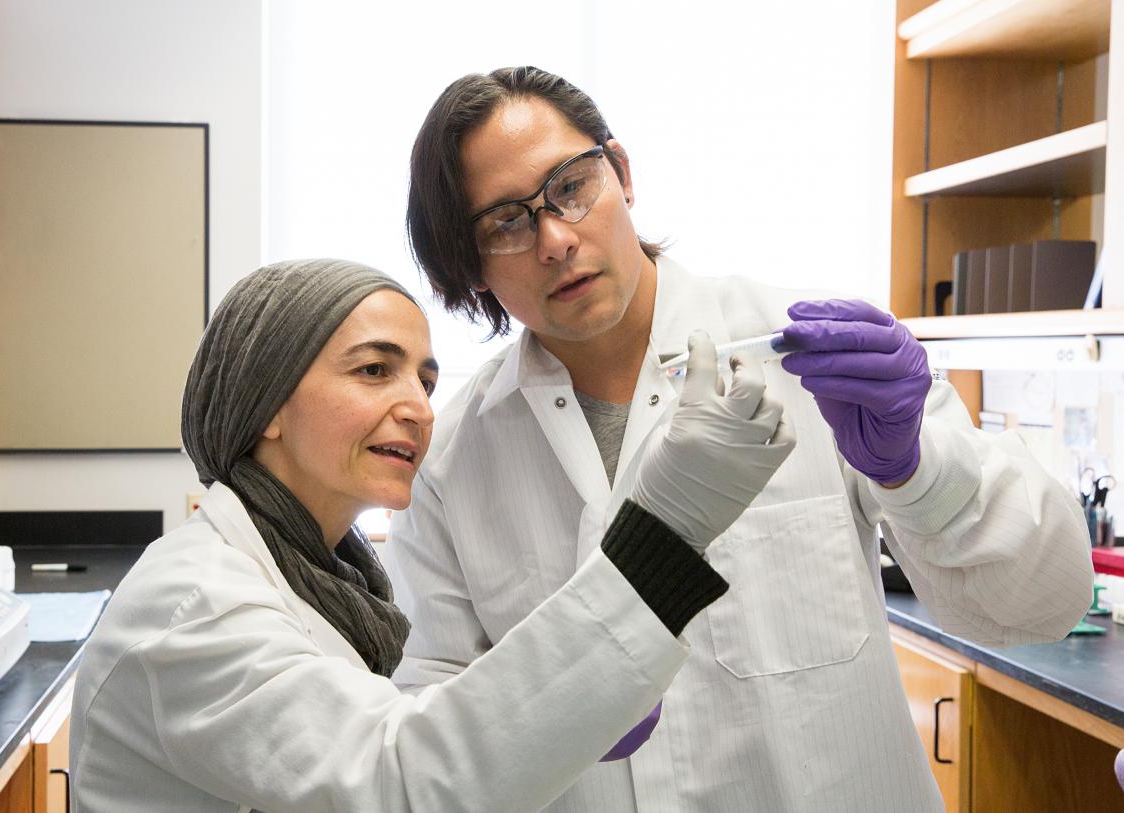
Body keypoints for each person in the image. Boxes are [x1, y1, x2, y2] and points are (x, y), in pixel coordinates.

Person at [388, 66, 1095, 812]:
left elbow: (1046, 604)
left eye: (570, 185)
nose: (556, 239)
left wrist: (916, 467)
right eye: (506, 221)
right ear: (467, 267)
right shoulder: (450, 463)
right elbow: (431, 747)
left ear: (621, 172)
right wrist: (542, 713)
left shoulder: (812, 357)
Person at [68, 258, 795, 812]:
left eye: (423, 379)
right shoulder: (194, 605)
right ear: (267, 404)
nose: (417, 407)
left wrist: (565, 714)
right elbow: (404, 780)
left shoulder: (327, 582)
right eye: (374, 370)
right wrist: (664, 531)